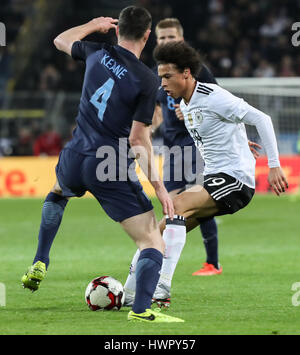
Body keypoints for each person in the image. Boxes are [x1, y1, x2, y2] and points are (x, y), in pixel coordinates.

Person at [21, 6, 184, 323]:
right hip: (106, 164)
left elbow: (59, 40)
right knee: (152, 240)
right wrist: (161, 189)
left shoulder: (95, 52)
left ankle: (41, 259)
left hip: (74, 154)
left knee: (57, 193)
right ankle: (141, 311)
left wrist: (91, 24)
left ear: (116, 29)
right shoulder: (146, 80)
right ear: (147, 36)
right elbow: (139, 141)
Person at [123, 19, 261, 308]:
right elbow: (157, 112)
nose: (165, 40)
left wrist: (240, 140)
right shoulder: (159, 75)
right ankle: (135, 286)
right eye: (161, 37)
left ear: (181, 38)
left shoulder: (199, 73)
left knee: (187, 207)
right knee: (172, 214)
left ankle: (201, 265)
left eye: (171, 36)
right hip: (174, 149)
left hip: (200, 147)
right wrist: (142, 134)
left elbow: (227, 109)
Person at [148, 40, 288, 303]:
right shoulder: (185, 105)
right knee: (161, 228)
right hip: (215, 178)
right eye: (161, 77)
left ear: (187, 73)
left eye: (167, 76)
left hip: (236, 181)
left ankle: (162, 288)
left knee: (175, 205)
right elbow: (217, 128)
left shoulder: (213, 95)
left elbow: (262, 119)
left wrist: (274, 165)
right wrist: (238, 138)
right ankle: (136, 290)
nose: (163, 84)